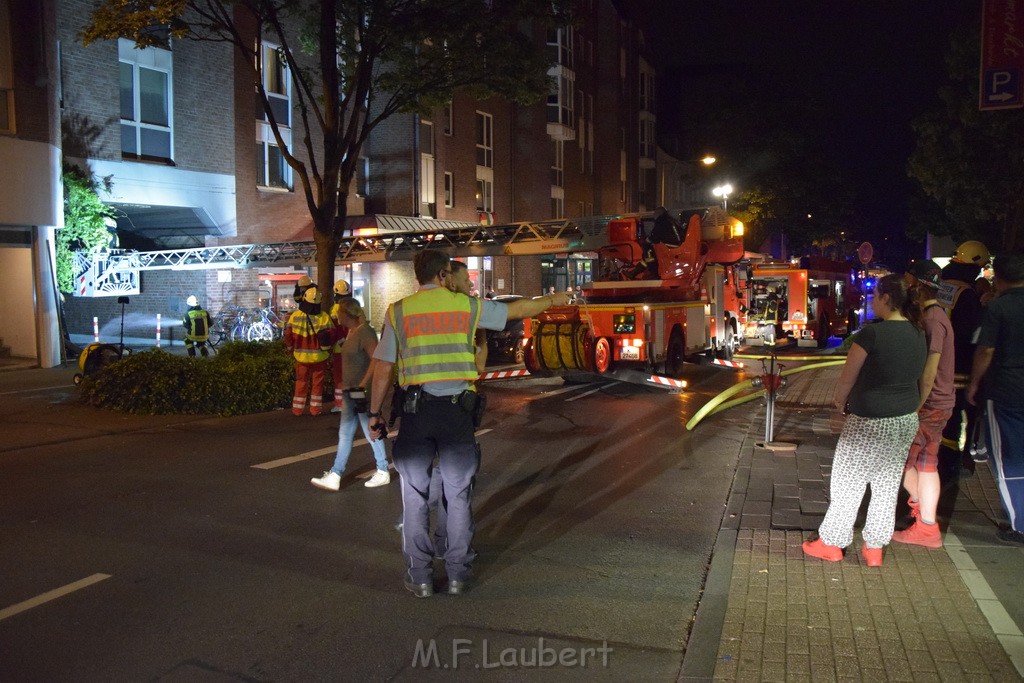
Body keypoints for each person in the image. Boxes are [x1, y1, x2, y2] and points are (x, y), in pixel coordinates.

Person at [367, 249, 570, 598]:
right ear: (444, 275)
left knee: (414, 498)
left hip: (416, 414)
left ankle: (420, 578)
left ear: (418, 275)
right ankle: (458, 575)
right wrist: (554, 298)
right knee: (457, 495)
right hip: (457, 413)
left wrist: (375, 414)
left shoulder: (398, 311)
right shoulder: (467, 307)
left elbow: (384, 367)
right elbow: (517, 310)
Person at [803, 274, 926, 567]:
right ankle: (874, 548)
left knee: (848, 483)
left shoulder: (872, 334)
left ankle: (831, 543)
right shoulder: (918, 331)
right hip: (905, 418)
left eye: (875, 297)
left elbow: (848, 376)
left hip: (869, 420)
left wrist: (839, 404)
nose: (871, 302)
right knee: (886, 484)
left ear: (885, 298)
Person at [892, 259, 955, 548]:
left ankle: (923, 518)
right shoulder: (938, 315)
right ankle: (927, 524)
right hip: (939, 403)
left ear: (917, 285)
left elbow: (929, 372)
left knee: (900, 462)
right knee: (928, 463)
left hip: (928, 405)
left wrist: (914, 407)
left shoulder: (931, 320)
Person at [967, 253, 1024, 546]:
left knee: (1006, 457)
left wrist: (974, 383)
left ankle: (1019, 525)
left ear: (998, 277)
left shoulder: (998, 307)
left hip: (1005, 389)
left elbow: (986, 350)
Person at [311, 297, 391, 491]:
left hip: (360, 392)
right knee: (345, 433)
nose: (336, 316)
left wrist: (362, 384)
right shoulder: (350, 332)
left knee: (369, 430)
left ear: (348, 314)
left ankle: (382, 470)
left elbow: (376, 360)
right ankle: (336, 474)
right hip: (350, 391)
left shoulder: (365, 332)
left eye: (339, 313)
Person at [936, 240, 990, 482]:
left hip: (936, 361)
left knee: (941, 413)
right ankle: (951, 464)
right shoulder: (966, 295)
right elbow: (974, 335)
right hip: (959, 365)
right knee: (958, 414)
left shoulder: (940, 287)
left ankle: (938, 458)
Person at [284, 286, 334, 416]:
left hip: (301, 357)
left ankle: (297, 410)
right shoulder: (324, 317)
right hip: (320, 357)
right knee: (317, 383)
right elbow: (332, 336)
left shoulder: (295, 316)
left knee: (301, 382)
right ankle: (315, 410)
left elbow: (288, 335)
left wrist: (290, 349)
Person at [329, 279, 353, 413]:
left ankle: (340, 404)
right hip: (354, 348)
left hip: (340, 349)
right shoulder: (355, 307)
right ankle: (353, 401)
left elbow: (335, 330)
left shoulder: (335, 309)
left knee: (339, 377)